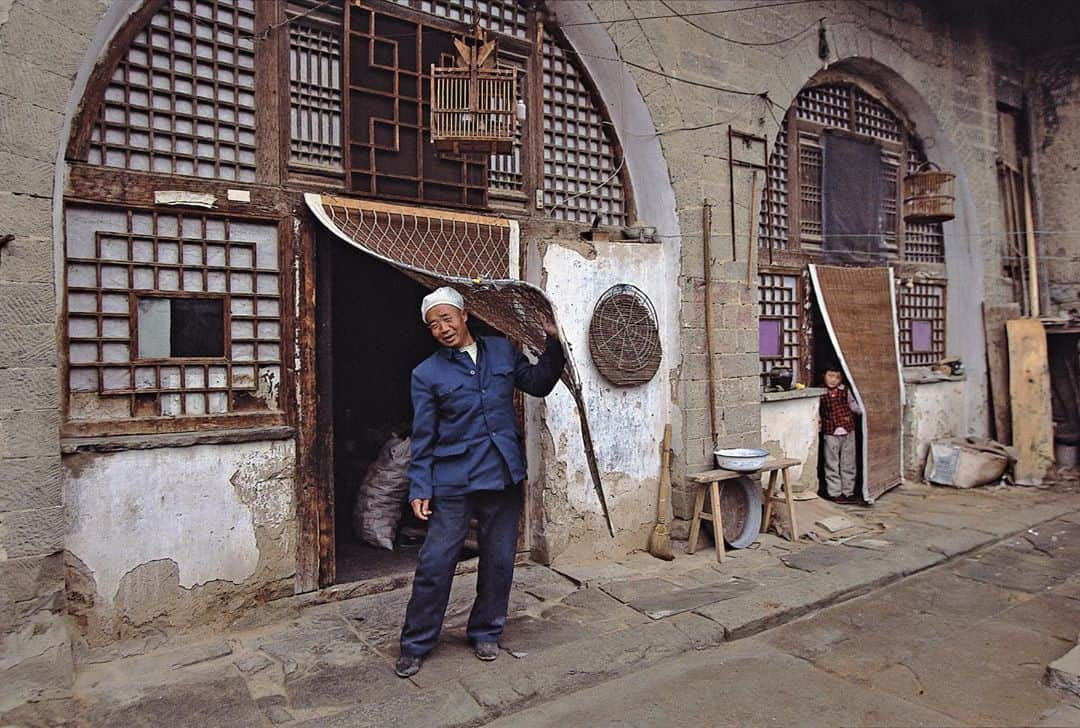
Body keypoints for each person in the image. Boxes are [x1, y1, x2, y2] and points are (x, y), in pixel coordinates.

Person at [395, 286, 565, 678]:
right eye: (433, 323)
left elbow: (538, 383)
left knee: (500, 558)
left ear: (464, 315)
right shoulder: (426, 374)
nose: (442, 327)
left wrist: (553, 342)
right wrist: (420, 487)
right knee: (436, 563)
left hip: (502, 475)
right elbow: (423, 436)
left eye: (446, 318)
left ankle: (486, 631)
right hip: (453, 480)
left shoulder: (503, 351)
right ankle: (415, 643)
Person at [819, 366, 862, 504]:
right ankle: (835, 493)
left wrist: (865, 412)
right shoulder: (820, 392)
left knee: (848, 463)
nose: (833, 380)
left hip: (848, 431)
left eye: (837, 377)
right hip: (830, 433)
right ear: (824, 375)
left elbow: (854, 406)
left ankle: (848, 492)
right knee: (831, 463)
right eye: (830, 376)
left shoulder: (846, 391)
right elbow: (816, 411)